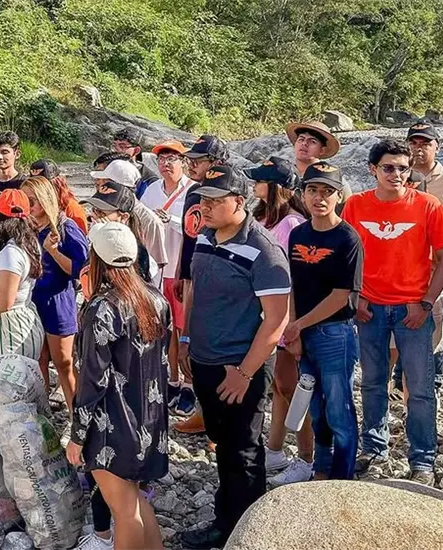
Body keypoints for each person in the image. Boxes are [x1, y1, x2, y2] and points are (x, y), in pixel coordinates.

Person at [179, 166, 290, 550]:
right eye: (202, 199)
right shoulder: (206, 237)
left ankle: (246, 534)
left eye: (214, 200)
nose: (205, 207)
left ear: (239, 201)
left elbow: (276, 320)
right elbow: (195, 291)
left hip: (239, 367)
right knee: (222, 444)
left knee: (243, 450)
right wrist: (185, 339)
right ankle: (226, 521)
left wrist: (245, 372)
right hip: (205, 359)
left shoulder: (263, 250)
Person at [341, 140, 443, 485]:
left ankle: (422, 459)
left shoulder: (428, 205)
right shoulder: (356, 206)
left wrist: (426, 303)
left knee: (420, 388)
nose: (397, 174)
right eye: (388, 167)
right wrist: (355, 298)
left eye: (403, 168)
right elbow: (345, 254)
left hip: (413, 310)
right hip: (370, 308)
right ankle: (374, 448)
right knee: (373, 383)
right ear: (372, 169)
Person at [67, 222, 169, 550]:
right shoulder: (155, 298)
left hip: (113, 424)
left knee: (124, 512)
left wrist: (77, 436)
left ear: (95, 259)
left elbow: (92, 380)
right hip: (149, 421)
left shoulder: (102, 308)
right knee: (136, 502)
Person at [279, 161, 363, 482]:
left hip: (336, 333)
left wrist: (299, 325)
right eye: (313, 190)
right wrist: (293, 328)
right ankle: (321, 467)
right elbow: (293, 285)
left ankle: (343, 475)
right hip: (303, 330)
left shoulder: (347, 238)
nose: (319, 197)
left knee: (339, 407)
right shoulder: (298, 233)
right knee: (313, 405)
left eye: (327, 191)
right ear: (302, 194)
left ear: (339, 196)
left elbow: (342, 295)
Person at [244, 156, 312, 474]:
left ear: (277, 188)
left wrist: (291, 325)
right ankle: (273, 449)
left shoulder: (293, 223)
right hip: (264, 312)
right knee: (280, 385)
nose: (254, 184)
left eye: (260, 180)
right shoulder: (261, 217)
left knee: (290, 384)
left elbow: (295, 278)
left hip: (286, 314)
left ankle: (306, 455)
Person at [391, 120, 443, 395]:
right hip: (399, 267)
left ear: (438, 147)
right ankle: (401, 379)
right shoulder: (396, 177)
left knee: (435, 326)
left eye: (425, 143)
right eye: (414, 142)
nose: (419, 148)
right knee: (399, 322)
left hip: (437, 267)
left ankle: (432, 380)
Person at [174, 135, 229, 434]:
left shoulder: (225, 194)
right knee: (190, 338)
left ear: (216, 163)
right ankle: (203, 409)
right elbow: (188, 234)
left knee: (211, 342)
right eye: (190, 160)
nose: (191, 164)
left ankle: (217, 418)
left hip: (215, 272)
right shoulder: (192, 191)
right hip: (193, 268)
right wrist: (182, 272)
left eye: (198, 160)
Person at [21, 176, 89, 414]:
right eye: (25, 200)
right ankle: (43, 414)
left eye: (33, 200)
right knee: (37, 359)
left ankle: (78, 418)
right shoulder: (26, 226)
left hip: (58, 300)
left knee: (64, 362)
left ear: (46, 200)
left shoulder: (64, 226)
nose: (29, 206)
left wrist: (53, 251)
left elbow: (80, 270)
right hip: (32, 299)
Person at [140, 140, 195, 416]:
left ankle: (189, 386)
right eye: (162, 159)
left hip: (181, 269)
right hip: (156, 270)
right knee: (166, 329)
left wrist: (169, 220)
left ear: (183, 162)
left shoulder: (192, 191)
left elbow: (197, 228)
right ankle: (172, 379)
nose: (166, 164)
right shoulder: (151, 190)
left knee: (185, 330)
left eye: (172, 158)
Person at [0, 189, 45, 358]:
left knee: (5, 381)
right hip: (22, 319)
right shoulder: (29, 242)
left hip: (8, 327)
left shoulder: (10, 253)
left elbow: (3, 303)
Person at [81, 180, 161, 291]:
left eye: (102, 213)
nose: (94, 217)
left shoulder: (135, 251)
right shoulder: (93, 237)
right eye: (94, 210)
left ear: (123, 217)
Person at [90, 159, 168, 270]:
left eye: (106, 182)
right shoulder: (101, 209)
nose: (99, 185)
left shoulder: (150, 221)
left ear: (120, 186)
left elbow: (156, 263)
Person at [30, 159, 88, 232]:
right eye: (34, 185)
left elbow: (82, 238)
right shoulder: (32, 206)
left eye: (44, 186)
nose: (38, 190)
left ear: (57, 184)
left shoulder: (71, 208)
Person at [111, 127, 160, 199]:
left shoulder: (149, 181)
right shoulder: (108, 169)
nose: (116, 150)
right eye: (114, 146)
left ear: (137, 150)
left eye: (122, 146)